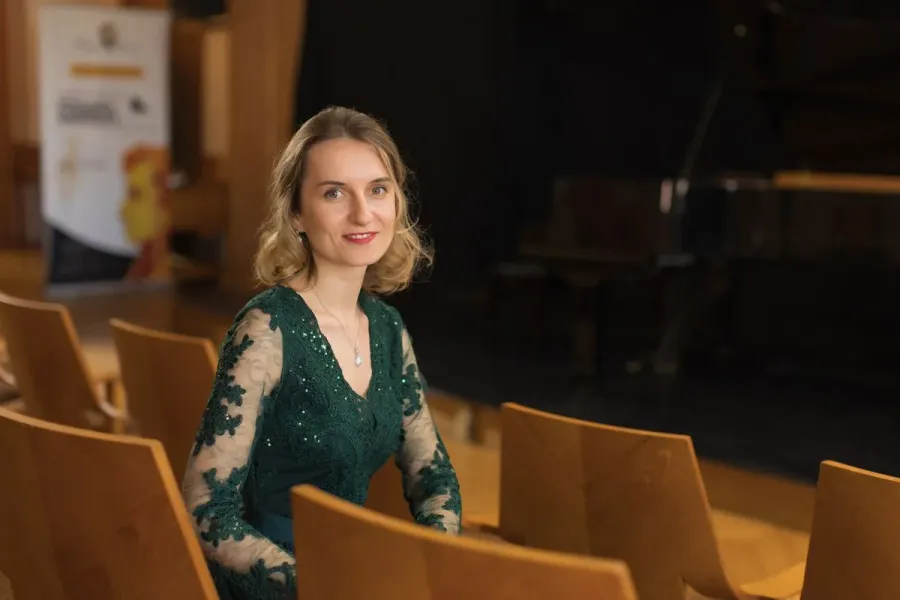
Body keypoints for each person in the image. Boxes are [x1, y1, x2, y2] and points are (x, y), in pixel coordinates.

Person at [182, 106, 462, 599]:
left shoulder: (387, 329)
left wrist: (432, 559)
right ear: (296, 213)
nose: (362, 213)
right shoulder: (267, 328)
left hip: (349, 573)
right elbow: (206, 509)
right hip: (277, 584)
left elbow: (433, 475)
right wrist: (318, 583)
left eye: (377, 189)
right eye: (335, 193)